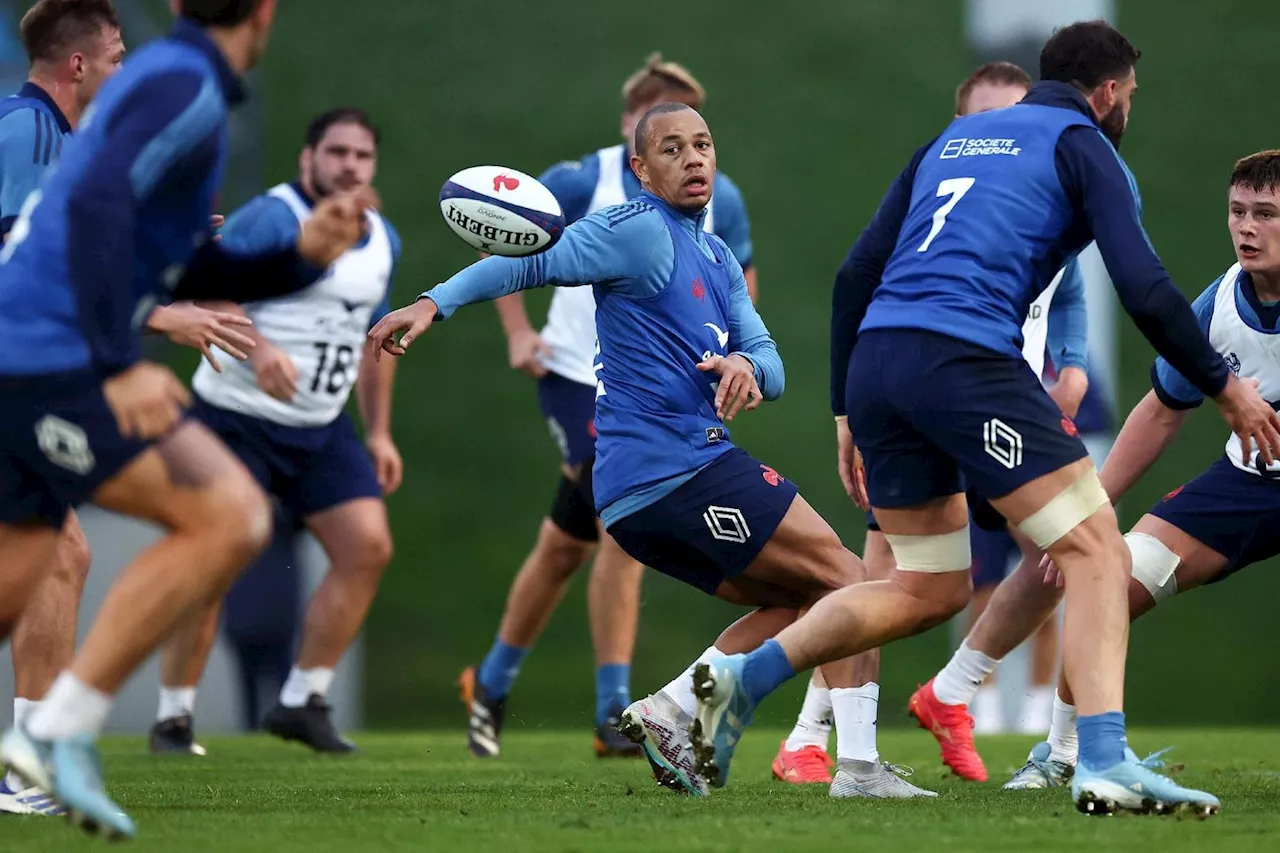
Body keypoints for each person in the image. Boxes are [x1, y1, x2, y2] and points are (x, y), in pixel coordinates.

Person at [689, 20, 1277, 817]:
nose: (1127, 111)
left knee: (926, 585)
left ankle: (736, 680)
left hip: (878, 364)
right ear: (1107, 94)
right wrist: (1228, 388)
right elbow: (1143, 286)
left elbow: (855, 272)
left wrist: (843, 408)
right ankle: (1101, 757)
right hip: (964, 361)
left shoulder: (953, 140)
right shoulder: (1084, 144)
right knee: (1097, 545)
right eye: (1128, 97)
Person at [372, 104, 933, 800]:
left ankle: (673, 708)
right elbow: (531, 262)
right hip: (676, 471)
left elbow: (770, 358)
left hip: (655, 488)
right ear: (640, 169)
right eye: (672, 148)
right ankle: (857, 769)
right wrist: (432, 303)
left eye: (702, 144)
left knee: (809, 602)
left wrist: (748, 368)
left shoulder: (718, 254)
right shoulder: (635, 229)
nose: (694, 158)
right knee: (854, 585)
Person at [0, 0, 374, 838]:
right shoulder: (184, 84)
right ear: (267, 11)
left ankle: (46, 737)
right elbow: (94, 208)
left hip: (26, 346)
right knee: (227, 512)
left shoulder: (177, 85)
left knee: (26, 573)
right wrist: (120, 361)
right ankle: (55, 734)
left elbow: (182, 261)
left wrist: (297, 258)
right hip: (44, 354)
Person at [769, 59, 1081, 784]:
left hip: (1001, 400)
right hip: (933, 393)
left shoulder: (1041, 195)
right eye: (990, 121)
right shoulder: (928, 207)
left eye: (1020, 120)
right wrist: (847, 411)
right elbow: (857, 280)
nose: (1011, 136)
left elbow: (1065, 293)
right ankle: (821, 739)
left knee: (1069, 551)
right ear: (959, 131)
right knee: (887, 578)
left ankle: (987, 709)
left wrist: (1074, 360)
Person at [0, 0, 257, 811]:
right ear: (77, 65)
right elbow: (24, 264)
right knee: (90, 547)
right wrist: (161, 317)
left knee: (52, 555)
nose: (121, 72)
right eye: (113, 58)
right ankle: (30, 761)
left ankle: (29, 760)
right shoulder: (29, 131)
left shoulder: (58, 140)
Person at [463, 52, 755, 759]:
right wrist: (518, 332)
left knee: (565, 546)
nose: (686, 145)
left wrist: (739, 356)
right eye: (666, 129)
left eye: (697, 134)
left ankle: (492, 680)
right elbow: (507, 239)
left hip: (657, 387)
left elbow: (740, 278)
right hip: (574, 375)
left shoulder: (721, 195)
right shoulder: (579, 179)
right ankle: (612, 712)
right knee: (620, 524)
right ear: (635, 129)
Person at [1000, 149, 1280, 788]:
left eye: (1266, 214)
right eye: (1238, 211)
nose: (1246, 227)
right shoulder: (1218, 307)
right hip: (1248, 483)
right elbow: (1160, 413)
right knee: (1110, 580)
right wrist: (1087, 513)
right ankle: (1061, 753)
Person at [152, 106, 403, 755]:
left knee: (367, 546)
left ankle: (302, 699)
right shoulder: (271, 215)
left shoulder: (382, 238)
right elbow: (210, 289)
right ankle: (174, 716)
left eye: (362, 155)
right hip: (236, 419)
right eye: (337, 152)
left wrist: (379, 432)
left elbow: (374, 342)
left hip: (319, 425)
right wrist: (259, 348)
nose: (350, 165)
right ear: (307, 159)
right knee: (215, 558)